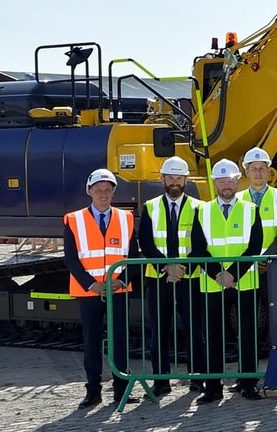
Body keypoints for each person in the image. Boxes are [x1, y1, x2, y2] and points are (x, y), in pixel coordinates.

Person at [190, 159, 264, 403]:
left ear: (236, 181)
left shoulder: (251, 209)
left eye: (229, 180)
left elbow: (254, 246)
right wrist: (218, 274)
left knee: (248, 334)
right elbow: (199, 248)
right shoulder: (202, 210)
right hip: (213, 284)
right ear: (214, 183)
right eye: (221, 181)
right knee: (214, 337)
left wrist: (233, 273)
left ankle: (249, 383)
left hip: (244, 282)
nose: (226, 185)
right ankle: (213, 388)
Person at [65, 168, 137, 408]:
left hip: (118, 290)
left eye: (108, 190)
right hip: (89, 292)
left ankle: (121, 391)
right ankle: (93, 391)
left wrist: (121, 280)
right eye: (98, 190)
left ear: (114, 192)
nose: (103, 195)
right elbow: (71, 260)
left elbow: (134, 256)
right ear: (89, 192)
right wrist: (92, 284)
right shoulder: (74, 220)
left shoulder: (126, 218)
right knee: (92, 343)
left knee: (120, 342)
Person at [136, 156, 201, 397]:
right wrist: (167, 267)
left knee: (194, 330)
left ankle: (197, 378)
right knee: (159, 332)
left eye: (179, 178)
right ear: (162, 180)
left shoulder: (198, 207)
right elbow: (146, 242)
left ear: (186, 180)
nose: (174, 182)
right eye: (170, 178)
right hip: (158, 278)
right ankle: (161, 382)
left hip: (190, 278)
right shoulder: (150, 207)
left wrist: (183, 269)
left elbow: (200, 243)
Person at [235, 146, 277, 351]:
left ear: (269, 172)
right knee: (246, 315)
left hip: (272, 266)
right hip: (246, 267)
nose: (258, 172)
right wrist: (251, 259)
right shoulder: (237, 199)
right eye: (253, 168)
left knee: (274, 312)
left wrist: (267, 258)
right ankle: (248, 355)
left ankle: (273, 353)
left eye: (262, 168)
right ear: (246, 172)